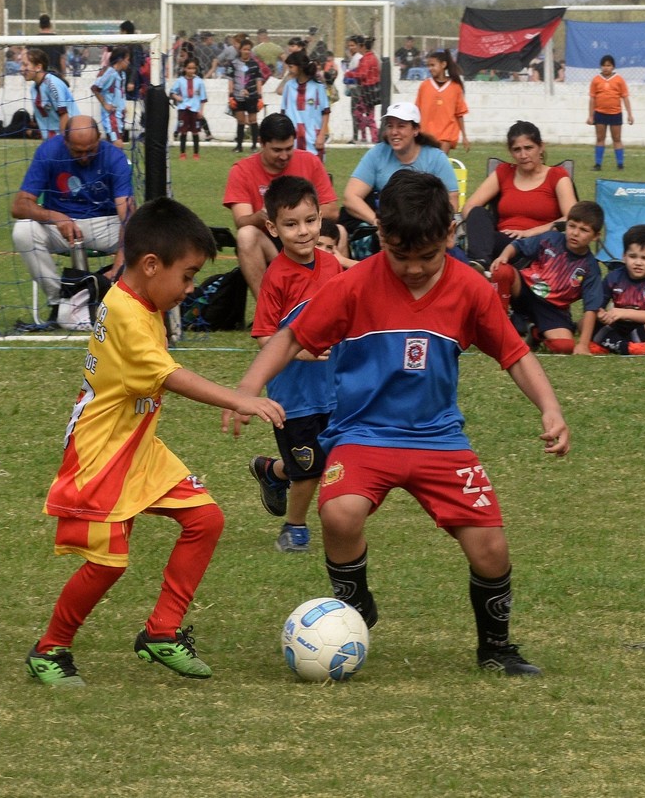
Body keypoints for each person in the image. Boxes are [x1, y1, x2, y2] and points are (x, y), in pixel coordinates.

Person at [231, 170, 570, 676]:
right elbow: (290, 337)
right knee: (340, 513)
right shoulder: (352, 286)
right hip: (363, 434)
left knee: (492, 549)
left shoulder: (471, 290)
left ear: (450, 236)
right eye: (399, 255)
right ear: (381, 238)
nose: (412, 268)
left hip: (440, 439)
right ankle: (354, 600)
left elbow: (516, 354)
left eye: (426, 257)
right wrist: (246, 392)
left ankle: (495, 648)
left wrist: (550, 407)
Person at [24, 198, 286, 687]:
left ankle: (162, 632)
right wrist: (239, 398)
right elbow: (171, 377)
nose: (190, 289)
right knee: (107, 564)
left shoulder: (142, 300)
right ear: (149, 265)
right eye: (187, 276)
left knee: (205, 518)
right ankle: (50, 649)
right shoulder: (126, 314)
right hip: (102, 454)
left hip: (137, 445)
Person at [244, 176, 342, 554]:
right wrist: (299, 352)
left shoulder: (333, 266)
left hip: (334, 388)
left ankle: (272, 472)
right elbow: (264, 335)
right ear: (272, 228)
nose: (303, 231)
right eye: (291, 224)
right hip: (295, 395)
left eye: (310, 221)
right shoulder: (277, 277)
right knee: (310, 468)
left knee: (332, 456)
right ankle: (294, 526)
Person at [10, 115, 133, 327]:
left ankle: (121, 293)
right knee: (23, 231)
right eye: (77, 151)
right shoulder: (49, 151)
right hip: (61, 226)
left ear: (99, 139)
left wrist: (119, 266)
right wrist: (55, 217)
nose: (84, 157)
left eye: (90, 150)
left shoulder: (115, 157)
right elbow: (19, 206)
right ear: (65, 141)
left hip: (104, 224)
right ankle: (62, 303)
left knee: (145, 233)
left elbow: (128, 217)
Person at [223, 114, 339, 301]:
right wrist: (260, 217)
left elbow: (332, 210)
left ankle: (332, 306)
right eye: (277, 150)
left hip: (309, 236)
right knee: (246, 235)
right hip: (271, 240)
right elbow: (241, 221)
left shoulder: (310, 162)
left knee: (339, 231)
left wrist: (298, 218)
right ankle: (268, 312)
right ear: (261, 143)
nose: (284, 156)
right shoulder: (242, 170)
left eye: (289, 149)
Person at [491, 201, 606, 356]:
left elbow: (591, 308)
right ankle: (498, 330)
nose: (575, 233)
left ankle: (536, 333)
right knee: (502, 270)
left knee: (564, 347)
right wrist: (503, 256)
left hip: (553, 309)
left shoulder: (591, 268)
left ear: (596, 236)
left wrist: (583, 344)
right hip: (525, 290)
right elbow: (517, 245)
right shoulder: (551, 238)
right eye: (571, 226)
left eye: (584, 230)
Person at [461, 120, 577, 268]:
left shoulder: (557, 175)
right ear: (511, 152)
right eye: (517, 150)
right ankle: (481, 264)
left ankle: (480, 266)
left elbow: (572, 218)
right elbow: (469, 207)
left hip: (537, 244)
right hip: (500, 240)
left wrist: (529, 233)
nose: (523, 155)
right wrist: (482, 232)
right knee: (476, 212)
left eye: (529, 148)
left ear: (541, 147)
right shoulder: (504, 172)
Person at [342, 101, 460, 235]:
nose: (394, 132)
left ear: (415, 130)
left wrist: (430, 228)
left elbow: (452, 199)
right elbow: (350, 197)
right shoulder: (377, 154)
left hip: (425, 228)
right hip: (388, 227)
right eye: (390, 126)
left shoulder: (436, 157)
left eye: (401, 126)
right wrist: (378, 223)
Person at [589, 223, 645, 355]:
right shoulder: (614, 277)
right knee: (586, 323)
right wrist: (601, 314)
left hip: (644, 327)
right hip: (618, 325)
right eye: (633, 256)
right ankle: (628, 347)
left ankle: (613, 344)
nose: (638, 262)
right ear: (624, 256)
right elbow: (596, 306)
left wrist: (624, 312)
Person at [414, 49, 469, 152]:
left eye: (433, 65)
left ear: (443, 65)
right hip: (427, 134)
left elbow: (459, 113)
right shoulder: (424, 86)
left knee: (440, 161)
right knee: (427, 166)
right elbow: (417, 111)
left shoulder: (455, 87)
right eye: (428, 66)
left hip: (447, 134)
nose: (430, 68)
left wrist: (464, 136)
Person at [278, 50, 330, 157]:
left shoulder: (318, 87)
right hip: (293, 139)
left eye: (291, 67)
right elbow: (283, 112)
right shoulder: (288, 86)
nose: (289, 70)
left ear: (300, 67)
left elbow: (325, 112)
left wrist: (321, 135)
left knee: (314, 170)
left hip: (312, 138)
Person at [587, 54, 633, 171]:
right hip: (600, 113)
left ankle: (620, 164)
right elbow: (592, 98)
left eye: (609, 65)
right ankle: (598, 164)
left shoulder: (619, 80)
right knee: (600, 138)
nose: (606, 68)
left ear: (613, 67)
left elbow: (625, 97)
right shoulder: (596, 80)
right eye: (604, 65)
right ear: (601, 67)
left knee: (617, 139)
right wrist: (591, 116)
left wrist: (629, 114)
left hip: (615, 113)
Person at [21, 47, 79, 138]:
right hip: (51, 138)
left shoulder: (52, 84)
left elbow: (64, 114)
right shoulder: (33, 89)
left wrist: (62, 141)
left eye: (25, 65)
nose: (21, 69)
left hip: (71, 135)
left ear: (38, 67)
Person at [344, 35, 381, 148]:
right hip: (373, 90)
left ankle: (374, 136)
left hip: (366, 90)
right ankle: (369, 136)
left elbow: (362, 74)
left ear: (362, 46)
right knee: (369, 113)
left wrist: (350, 74)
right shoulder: (373, 57)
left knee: (358, 113)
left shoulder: (365, 59)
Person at [229, 40, 265, 153]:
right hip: (238, 96)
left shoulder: (254, 64)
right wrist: (230, 96)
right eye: (244, 49)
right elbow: (231, 80)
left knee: (253, 120)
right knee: (240, 121)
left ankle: (254, 145)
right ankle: (239, 146)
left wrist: (260, 96)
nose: (246, 52)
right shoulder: (234, 63)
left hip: (252, 96)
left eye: (249, 49)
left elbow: (258, 80)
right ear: (240, 50)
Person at [168, 58, 207, 159]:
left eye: (193, 68)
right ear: (185, 68)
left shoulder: (199, 82)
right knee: (183, 131)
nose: (191, 71)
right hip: (183, 109)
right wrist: (177, 97)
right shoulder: (180, 81)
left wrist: (201, 110)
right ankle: (182, 153)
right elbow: (172, 93)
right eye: (189, 68)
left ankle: (196, 153)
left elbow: (203, 98)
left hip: (195, 110)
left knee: (195, 132)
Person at [90, 47, 129, 141]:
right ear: (120, 60)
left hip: (119, 116)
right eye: (127, 59)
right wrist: (105, 104)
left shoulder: (122, 74)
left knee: (116, 147)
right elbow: (95, 88)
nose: (129, 62)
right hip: (111, 117)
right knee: (116, 145)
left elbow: (119, 93)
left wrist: (123, 106)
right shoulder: (110, 73)